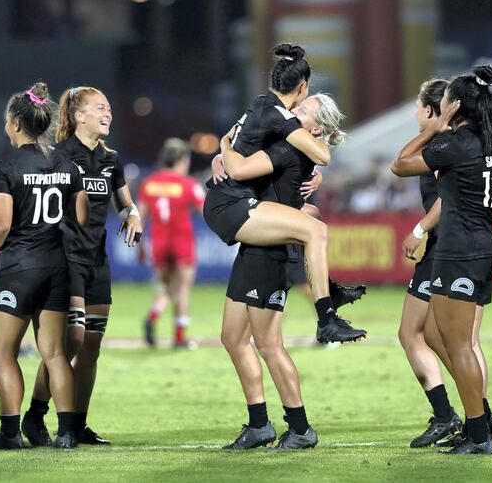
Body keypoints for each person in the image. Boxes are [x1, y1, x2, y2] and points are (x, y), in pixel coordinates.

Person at [215, 93, 353, 449]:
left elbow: (243, 168)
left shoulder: (289, 150)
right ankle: (259, 424)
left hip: (270, 254)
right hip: (256, 246)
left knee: (269, 345)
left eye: (301, 111)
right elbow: (305, 209)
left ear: (315, 126)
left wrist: (223, 147)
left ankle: (300, 427)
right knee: (232, 338)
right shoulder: (294, 147)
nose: (291, 112)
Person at [204, 44, 364, 346]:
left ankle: (329, 291)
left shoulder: (263, 108)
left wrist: (222, 150)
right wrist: (223, 153)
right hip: (234, 205)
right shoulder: (283, 123)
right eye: (302, 104)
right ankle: (326, 318)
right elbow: (321, 154)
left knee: (312, 216)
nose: (296, 110)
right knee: (315, 230)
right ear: (302, 87)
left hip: (236, 203)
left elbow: (235, 136)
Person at [0, 82, 87, 450]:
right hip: (57, 268)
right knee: (56, 354)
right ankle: (66, 433)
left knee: (4, 353)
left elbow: (0, 225)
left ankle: (10, 433)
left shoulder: (7, 167)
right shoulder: (65, 162)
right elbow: (80, 214)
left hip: (18, 268)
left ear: (16, 123)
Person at [391, 65, 492, 455]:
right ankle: (479, 424)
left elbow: (401, 162)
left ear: (454, 106)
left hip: (458, 250)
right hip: (484, 246)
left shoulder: (456, 143)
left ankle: (479, 435)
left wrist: (435, 126)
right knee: (450, 340)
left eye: (444, 102)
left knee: (455, 345)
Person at [21, 86, 142, 447]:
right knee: (70, 342)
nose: (108, 113)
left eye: (109, 107)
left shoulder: (111, 159)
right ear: (79, 116)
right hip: (64, 261)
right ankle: (38, 415)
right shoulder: (57, 156)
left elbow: (125, 203)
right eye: (100, 107)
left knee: (91, 346)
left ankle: (77, 425)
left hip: (97, 262)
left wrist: (133, 215)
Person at [138, 138, 204, 348]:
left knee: (167, 287)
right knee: (183, 288)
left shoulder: (149, 183)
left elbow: (140, 216)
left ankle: (153, 315)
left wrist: (140, 246)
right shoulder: (188, 184)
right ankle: (179, 337)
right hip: (182, 240)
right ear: (181, 160)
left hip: (159, 242)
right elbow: (205, 211)